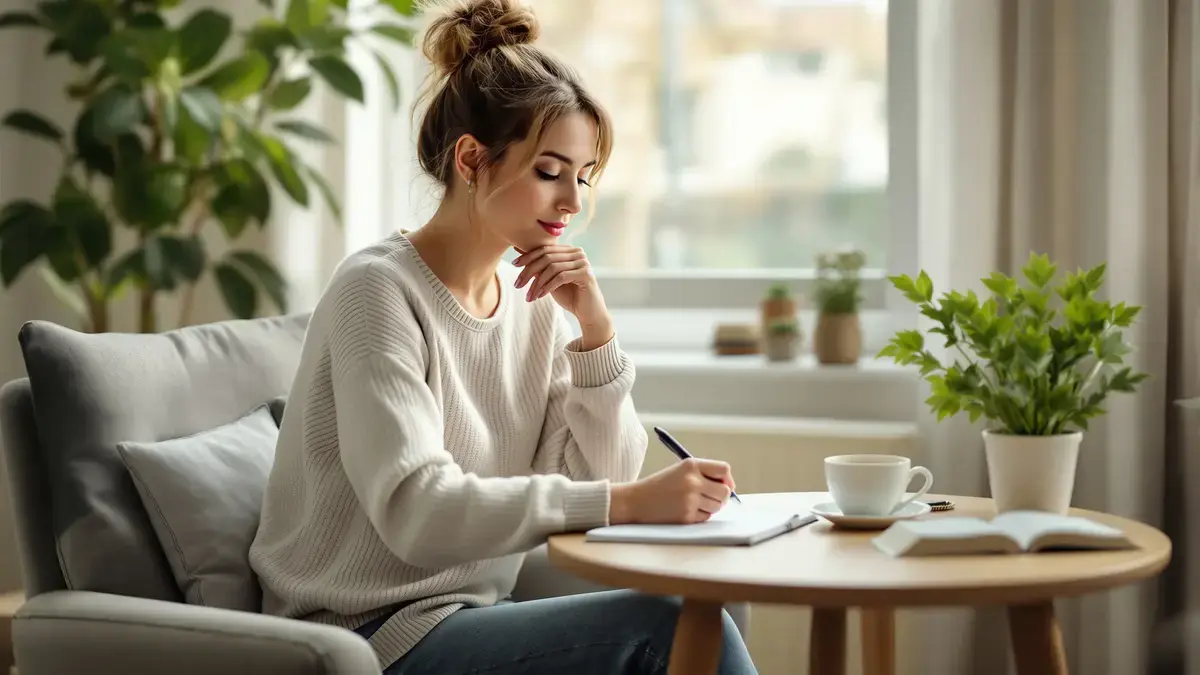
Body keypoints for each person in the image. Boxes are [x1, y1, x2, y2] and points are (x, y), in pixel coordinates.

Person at [249, 0, 758, 673]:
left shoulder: (537, 305)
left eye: (583, 177)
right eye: (550, 172)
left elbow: (595, 485)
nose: (572, 202)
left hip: (474, 614)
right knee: (667, 631)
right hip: (366, 632)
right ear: (470, 159)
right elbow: (416, 511)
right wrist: (629, 499)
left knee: (698, 614)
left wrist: (596, 334)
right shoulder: (376, 291)